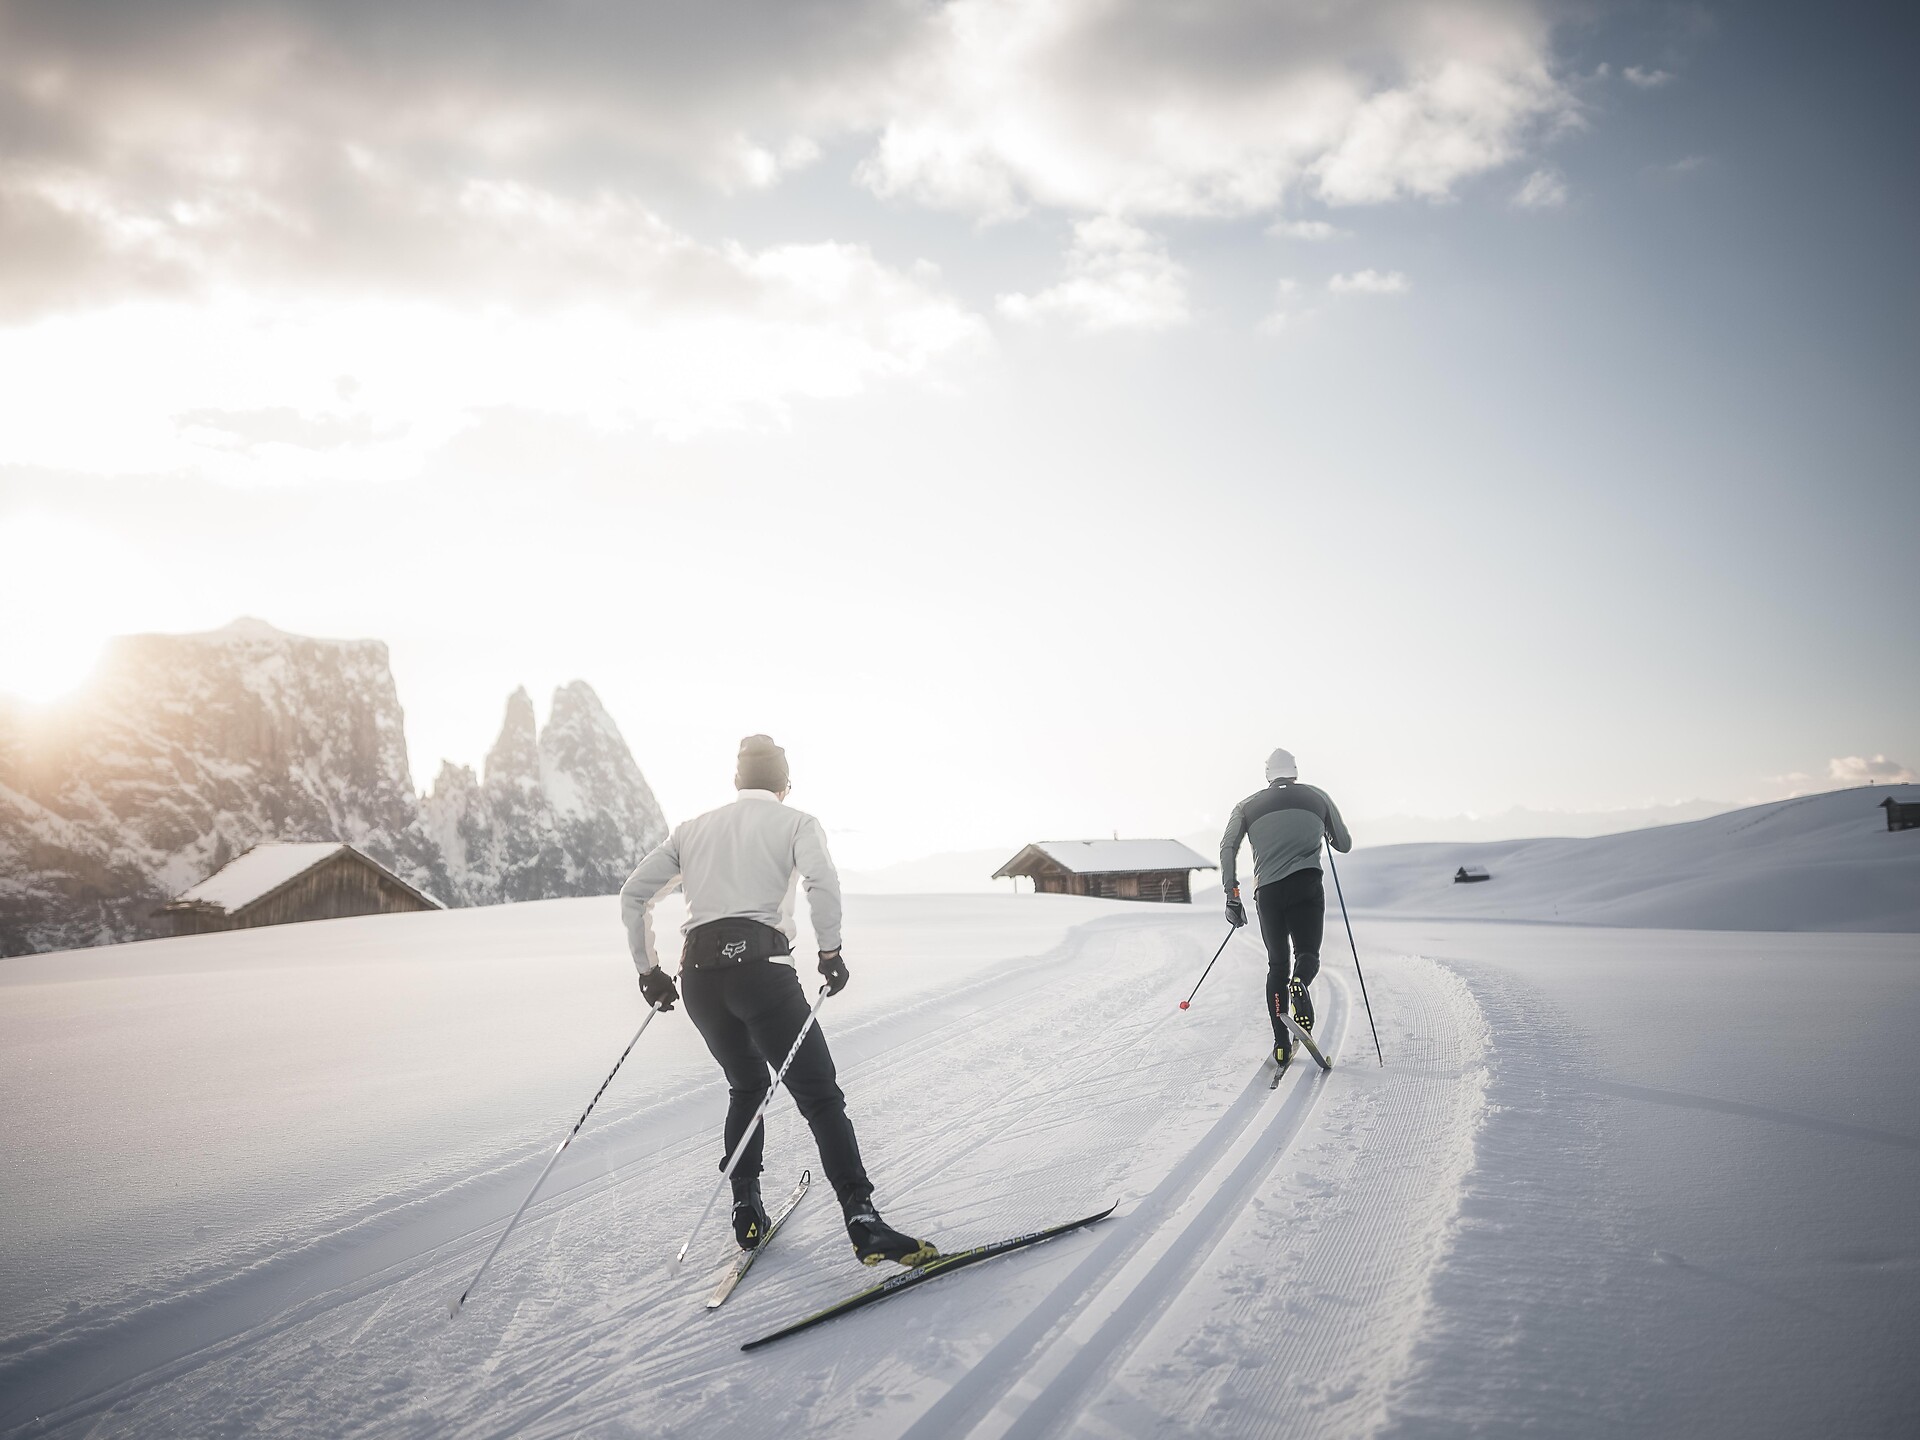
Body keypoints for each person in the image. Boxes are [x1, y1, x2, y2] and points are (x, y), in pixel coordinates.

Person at [618, 735, 934, 1267]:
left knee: (746, 1086)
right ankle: (863, 1220)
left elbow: (634, 894)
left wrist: (648, 970)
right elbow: (822, 882)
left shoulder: (691, 830)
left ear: (737, 780)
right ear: (784, 784)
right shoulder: (795, 822)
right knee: (819, 1097)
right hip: (762, 971)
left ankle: (745, 1206)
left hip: (698, 977)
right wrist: (830, 953)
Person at [1218, 747, 1352, 1069]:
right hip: (1307, 885)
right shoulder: (1317, 797)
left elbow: (1228, 847)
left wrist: (1232, 893)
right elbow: (1343, 843)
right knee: (1307, 955)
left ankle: (1280, 1045)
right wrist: (1319, 828)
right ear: (1295, 771)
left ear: (1267, 774)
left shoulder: (1246, 806)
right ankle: (1301, 982)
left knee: (1277, 965)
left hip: (1269, 893)